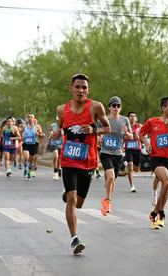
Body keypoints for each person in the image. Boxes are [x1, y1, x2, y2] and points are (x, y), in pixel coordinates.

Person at [52, 73, 110, 254]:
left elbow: (108, 128)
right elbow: (60, 128)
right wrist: (56, 133)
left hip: (88, 161)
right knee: (72, 199)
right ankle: (74, 239)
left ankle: (69, 195)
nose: (80, 90)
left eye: (84, 87)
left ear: (88, 90)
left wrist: (94, 129)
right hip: (68, 159)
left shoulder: (95, 106)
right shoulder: (62, 109)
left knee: (79, 203)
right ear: (71, 89)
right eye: (77, 87)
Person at [139, 97, 168, 229]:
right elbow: (141, 133)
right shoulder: (152, 122)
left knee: (166, 187)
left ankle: (154, 213)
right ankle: (161, 213)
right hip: (157, 159)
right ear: (163, 108)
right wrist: (147, 144)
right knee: (167, 183)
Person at [100, 96, 132, 216]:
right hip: (105, 153)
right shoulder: (104, 119)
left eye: (118, 106)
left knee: (112, 180)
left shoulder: (124, 120)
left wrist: (126, 132)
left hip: (118, 154)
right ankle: (108, 200)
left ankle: (106, 199)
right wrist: (100, 137)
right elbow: (97, 133)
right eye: (114, 105)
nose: (116, 108)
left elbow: (131, 137)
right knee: (111, 176)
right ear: (109, 107)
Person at [22, 114, 45, 181]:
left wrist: (39, 134)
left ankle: (29, 172)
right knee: (26, 157)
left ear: (34, 118)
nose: (30, 118)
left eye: (31, 117)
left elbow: (42, 135)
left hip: (34, 144)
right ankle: (26, 168)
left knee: (31, 159)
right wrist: (21, 135)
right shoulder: (24, 126)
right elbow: (20, 133)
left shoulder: (37, 126)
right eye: (28, 117)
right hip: (26, 144)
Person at [124, 111, 143, 192]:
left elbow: (144, 135)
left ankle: (126, 167)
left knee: (136, 169)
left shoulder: (140, 126)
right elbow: (123, 137)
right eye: (131, 116)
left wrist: (139, 136)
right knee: (130, 166)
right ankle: (132, 185)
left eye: (133, 116)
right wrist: (129, 136)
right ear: (128, 118)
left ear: (136, 118)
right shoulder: (125, 127)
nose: (132, 118)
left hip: (137, 149)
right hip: (128, 149)